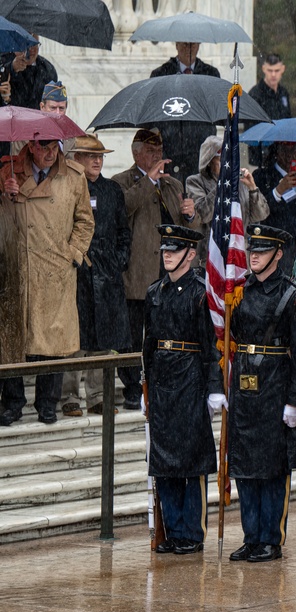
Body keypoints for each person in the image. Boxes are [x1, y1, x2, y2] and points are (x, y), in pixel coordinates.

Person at [226, 224, 296, 563]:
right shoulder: (240, 291)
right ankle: (251, 536)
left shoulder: (293, 295)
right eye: (252, 250)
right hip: (245, 385)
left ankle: (270, 539)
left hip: (275, 386)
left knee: (273, 467)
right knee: (245, 464)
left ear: (278, 254)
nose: (254, 256)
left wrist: (295, 401)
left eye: (261, 251)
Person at [0, 139, 94, 426]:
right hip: (17, 267)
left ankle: (47, 403)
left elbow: (85, 221)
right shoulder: (8, 170)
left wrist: (74, 255)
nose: (50, 152)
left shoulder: (75, 176)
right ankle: (13, 402)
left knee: (53, 339)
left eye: (55, 146)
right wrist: (5, 195)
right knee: (14, 336)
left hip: (56, 270)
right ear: (31, 146)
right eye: (43, 146)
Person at [144, 225, 225, 555]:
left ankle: (192, 532)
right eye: (165, 249)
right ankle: (173, 530)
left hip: (190, 381)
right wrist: (145, 386)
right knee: (164, 463)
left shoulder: (200, 292)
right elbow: (149, 345)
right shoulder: (155, 292)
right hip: (162, 384)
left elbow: (212, 345)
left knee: (191, 463)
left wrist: (214, 388)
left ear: (190, 255)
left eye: (174, 250)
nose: (167, 255)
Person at [112, 129, 199, 411]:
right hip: (138, 274)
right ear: (136, 153)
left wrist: (191, 215)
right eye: (150, 152)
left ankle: (160, 377)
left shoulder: (173, 184)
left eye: (159, 151)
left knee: (165, 331)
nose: (157, 157)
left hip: (169, 275)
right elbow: (122, 209)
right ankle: (132, 385)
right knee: (133, 334)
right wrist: (148, 180)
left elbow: (188, 231)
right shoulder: (122, 181)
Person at [64, 134, 131, 415]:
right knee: (75, 338)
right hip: (76, 271)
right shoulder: (67, 187)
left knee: (103, 337)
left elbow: (123, 232)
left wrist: (118, 261)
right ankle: (69, 396)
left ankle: (98, 396)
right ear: (75, 158)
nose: (97, 161)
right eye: (91, 156)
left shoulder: (112, 191)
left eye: (100, 157)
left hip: (107, 274)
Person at [186, 135, 269, 262]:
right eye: (221, 160)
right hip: (213, 257)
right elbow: (202, 215)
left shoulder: (240, 182)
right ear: (209, 161)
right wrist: (222, 184)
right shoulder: (195, 181)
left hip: (240, 255)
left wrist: (252, 187)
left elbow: (261, 215)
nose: (227, 165)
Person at [150, 42, 220, 182]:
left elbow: (214, 109)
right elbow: (154, 113)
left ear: (199, 45)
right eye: (185, 43)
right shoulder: (161, 74)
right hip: (172, 148)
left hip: (201, 147)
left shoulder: (211, 74)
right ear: (176, 44)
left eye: (193, 43)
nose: (189, 47)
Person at [253, 141, 296, 278]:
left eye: (293, 151)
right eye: (285, 151)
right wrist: (278, 191)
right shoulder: (261, 176)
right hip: (277, 246)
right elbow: (258, 212)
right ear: (276, 152)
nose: (290, 156)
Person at [247, 53, 292, 166]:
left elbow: (288, 120)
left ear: (282, 69)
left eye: (276, 70)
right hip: (260, 157)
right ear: (264, 69)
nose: (273, 74)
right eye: (270, 70)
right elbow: (251, 127)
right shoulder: (255, 94)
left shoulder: (283, 93)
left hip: (281, 154)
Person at [8, 36, 58, 110]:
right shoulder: (4, 62)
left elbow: (51, 100)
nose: (31, 50)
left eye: (35, 45)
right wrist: (12, 68)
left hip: (38, 118)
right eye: (27, 45)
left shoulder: (47, 69)